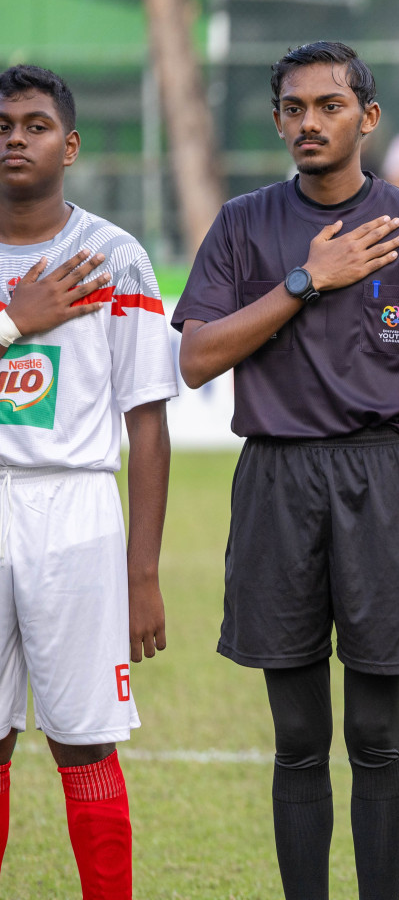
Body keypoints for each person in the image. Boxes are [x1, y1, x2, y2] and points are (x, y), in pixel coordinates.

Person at [173, 42, 399, 900]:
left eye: (329, 106)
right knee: (298, 736)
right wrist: (309, 278)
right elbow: (197, 358)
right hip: (276, 480)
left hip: (382, 482)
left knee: (378, 735)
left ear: (367, 118)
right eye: (294, 109)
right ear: (277, 120)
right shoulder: (244, 222)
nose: (310, 122)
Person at [0, 64, 177, 899]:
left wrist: (142, 574)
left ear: (68, 146)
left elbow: (148, 421)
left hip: (74, 511)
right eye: (2, 125)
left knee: (84, 739)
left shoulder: (115, 256)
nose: (14, 138)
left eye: (34, 125)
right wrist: (14, 320)